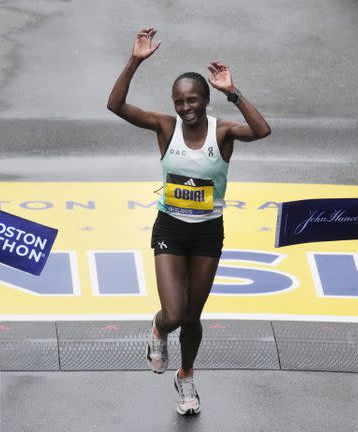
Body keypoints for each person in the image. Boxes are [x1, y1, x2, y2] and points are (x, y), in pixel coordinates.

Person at [106, 27, 271, 416]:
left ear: (206, 100)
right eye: (179, 101)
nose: (186, 108)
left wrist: (235, 92)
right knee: (175, 314)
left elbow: (262, 130)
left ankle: (186, 377)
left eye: (193, 100)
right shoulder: (166, 127)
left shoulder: (224, 131)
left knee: (194, 316)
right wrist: (135, 60)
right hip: (170, 228)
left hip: (208, 232)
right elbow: (115, 105)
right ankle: (160, 330)